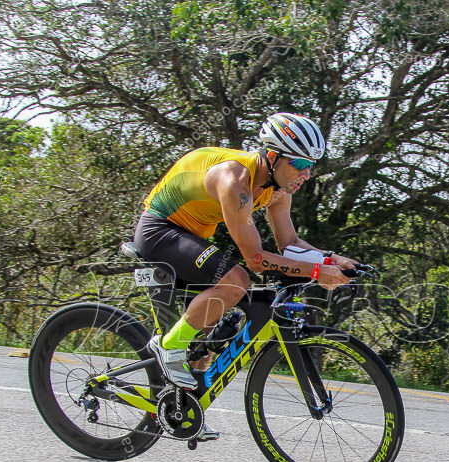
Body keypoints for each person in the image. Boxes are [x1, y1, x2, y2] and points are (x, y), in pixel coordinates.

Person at [134, 113, 357, 405]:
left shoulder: (278, 190)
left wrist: (330, 259)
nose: (307, 174)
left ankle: (187, 408)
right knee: (237, 280)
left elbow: (289, 244)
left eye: (311, 166)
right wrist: (317, 272)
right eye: (300, 164)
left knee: (208, 336)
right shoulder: (234, 181)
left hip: (193, 237)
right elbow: (254, 259)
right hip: (159, 230)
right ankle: (167, 347)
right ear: (274, 156)